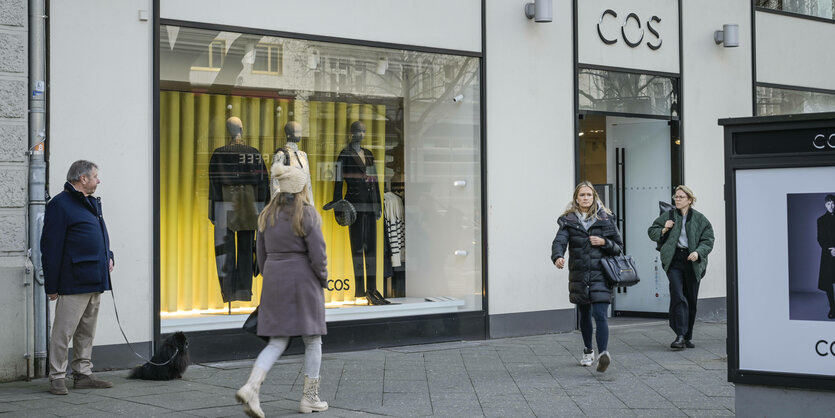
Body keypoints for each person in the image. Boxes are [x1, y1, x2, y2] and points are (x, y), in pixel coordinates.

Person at [236, 164, 329, 417]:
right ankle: (309, 398)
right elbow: (318, 255)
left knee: (277, 340)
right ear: (302, 187)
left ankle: (251, 386)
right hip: (303, 278)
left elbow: (261, 255)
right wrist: (323, 279)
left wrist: (273, 276)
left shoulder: (267, 215)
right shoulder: (307, 214)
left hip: (275, 278)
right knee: (312, 339)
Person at [41, 160, 115, 395]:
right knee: (63, 331)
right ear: (82, 179)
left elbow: (100, 235)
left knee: (87, 331)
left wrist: (109, 255)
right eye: (95, 176)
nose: (98, 180)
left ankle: (83, 374)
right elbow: (50, 248)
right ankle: (57, 377)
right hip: (73, 280)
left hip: (95, 276)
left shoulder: (90, 203)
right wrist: (51, 286)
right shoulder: (60, 205)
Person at [551, 181, 623, 373]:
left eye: (589, 195)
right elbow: (559, 242)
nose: (585, 198)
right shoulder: (569, 220)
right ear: (576, 198)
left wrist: (604, 242)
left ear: (594, 197)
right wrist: (558, 257)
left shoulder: (605, 219)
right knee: (584, 315)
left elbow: (618, 247)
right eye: (582, 195)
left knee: (599, 314)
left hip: (601, 274)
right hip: (580, 274)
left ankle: (603, 354)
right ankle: (588, 350)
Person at [648, 185, 714, 350]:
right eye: (675, 197)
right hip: (674, 260)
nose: (677, 200)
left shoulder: (700, 219)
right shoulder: (668, 215)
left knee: (690, 299)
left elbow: (708, 239)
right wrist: (664, 228)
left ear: (690, 200)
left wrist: (698, 253)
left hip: (692, 261)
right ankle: (679, 335)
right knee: (678, 295)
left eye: (680, 197)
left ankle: (687, 336)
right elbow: (652, 232)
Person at [326, 120, 385, 305]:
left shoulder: (369, 154)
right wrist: (338, 205)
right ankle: (361, 289)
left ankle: (373, 288)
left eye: (364, 131)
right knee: (357, 248)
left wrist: (378, 205)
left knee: (372, 249)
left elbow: (374, 181)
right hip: (354, 206)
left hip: (368, 205)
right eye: (359, 131)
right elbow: (338, 181)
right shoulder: (344, 154)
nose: (362, 134)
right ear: (352, 133)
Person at [817, 194, 835, 319]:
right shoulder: (821, 220)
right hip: (828, 255)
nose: (831, 206)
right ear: (825, 205)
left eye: (833, 203)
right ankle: (833, 308)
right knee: (828, 281)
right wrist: (832, 249)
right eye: (828, 204)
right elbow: (821, 239)